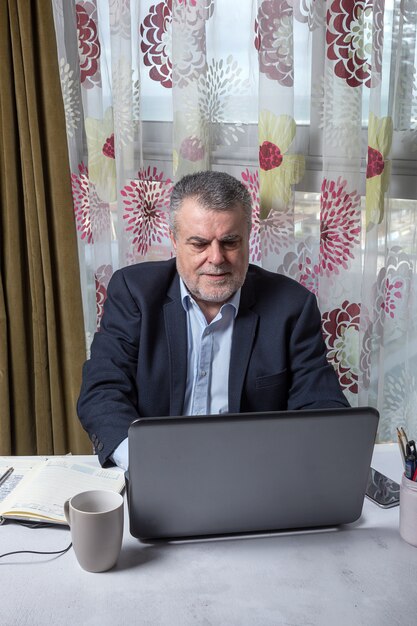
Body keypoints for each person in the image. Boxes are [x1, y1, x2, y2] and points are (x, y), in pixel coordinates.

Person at [77, 171, 349, 469]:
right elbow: (103, 389)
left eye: (230, 242)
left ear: (248, 238)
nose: (217, 258)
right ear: (174, 240)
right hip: (154, 466)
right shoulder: (134, 293)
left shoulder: (292, 307)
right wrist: (142, 463)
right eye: (199, 244)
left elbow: (322, 408)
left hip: (253, 472)